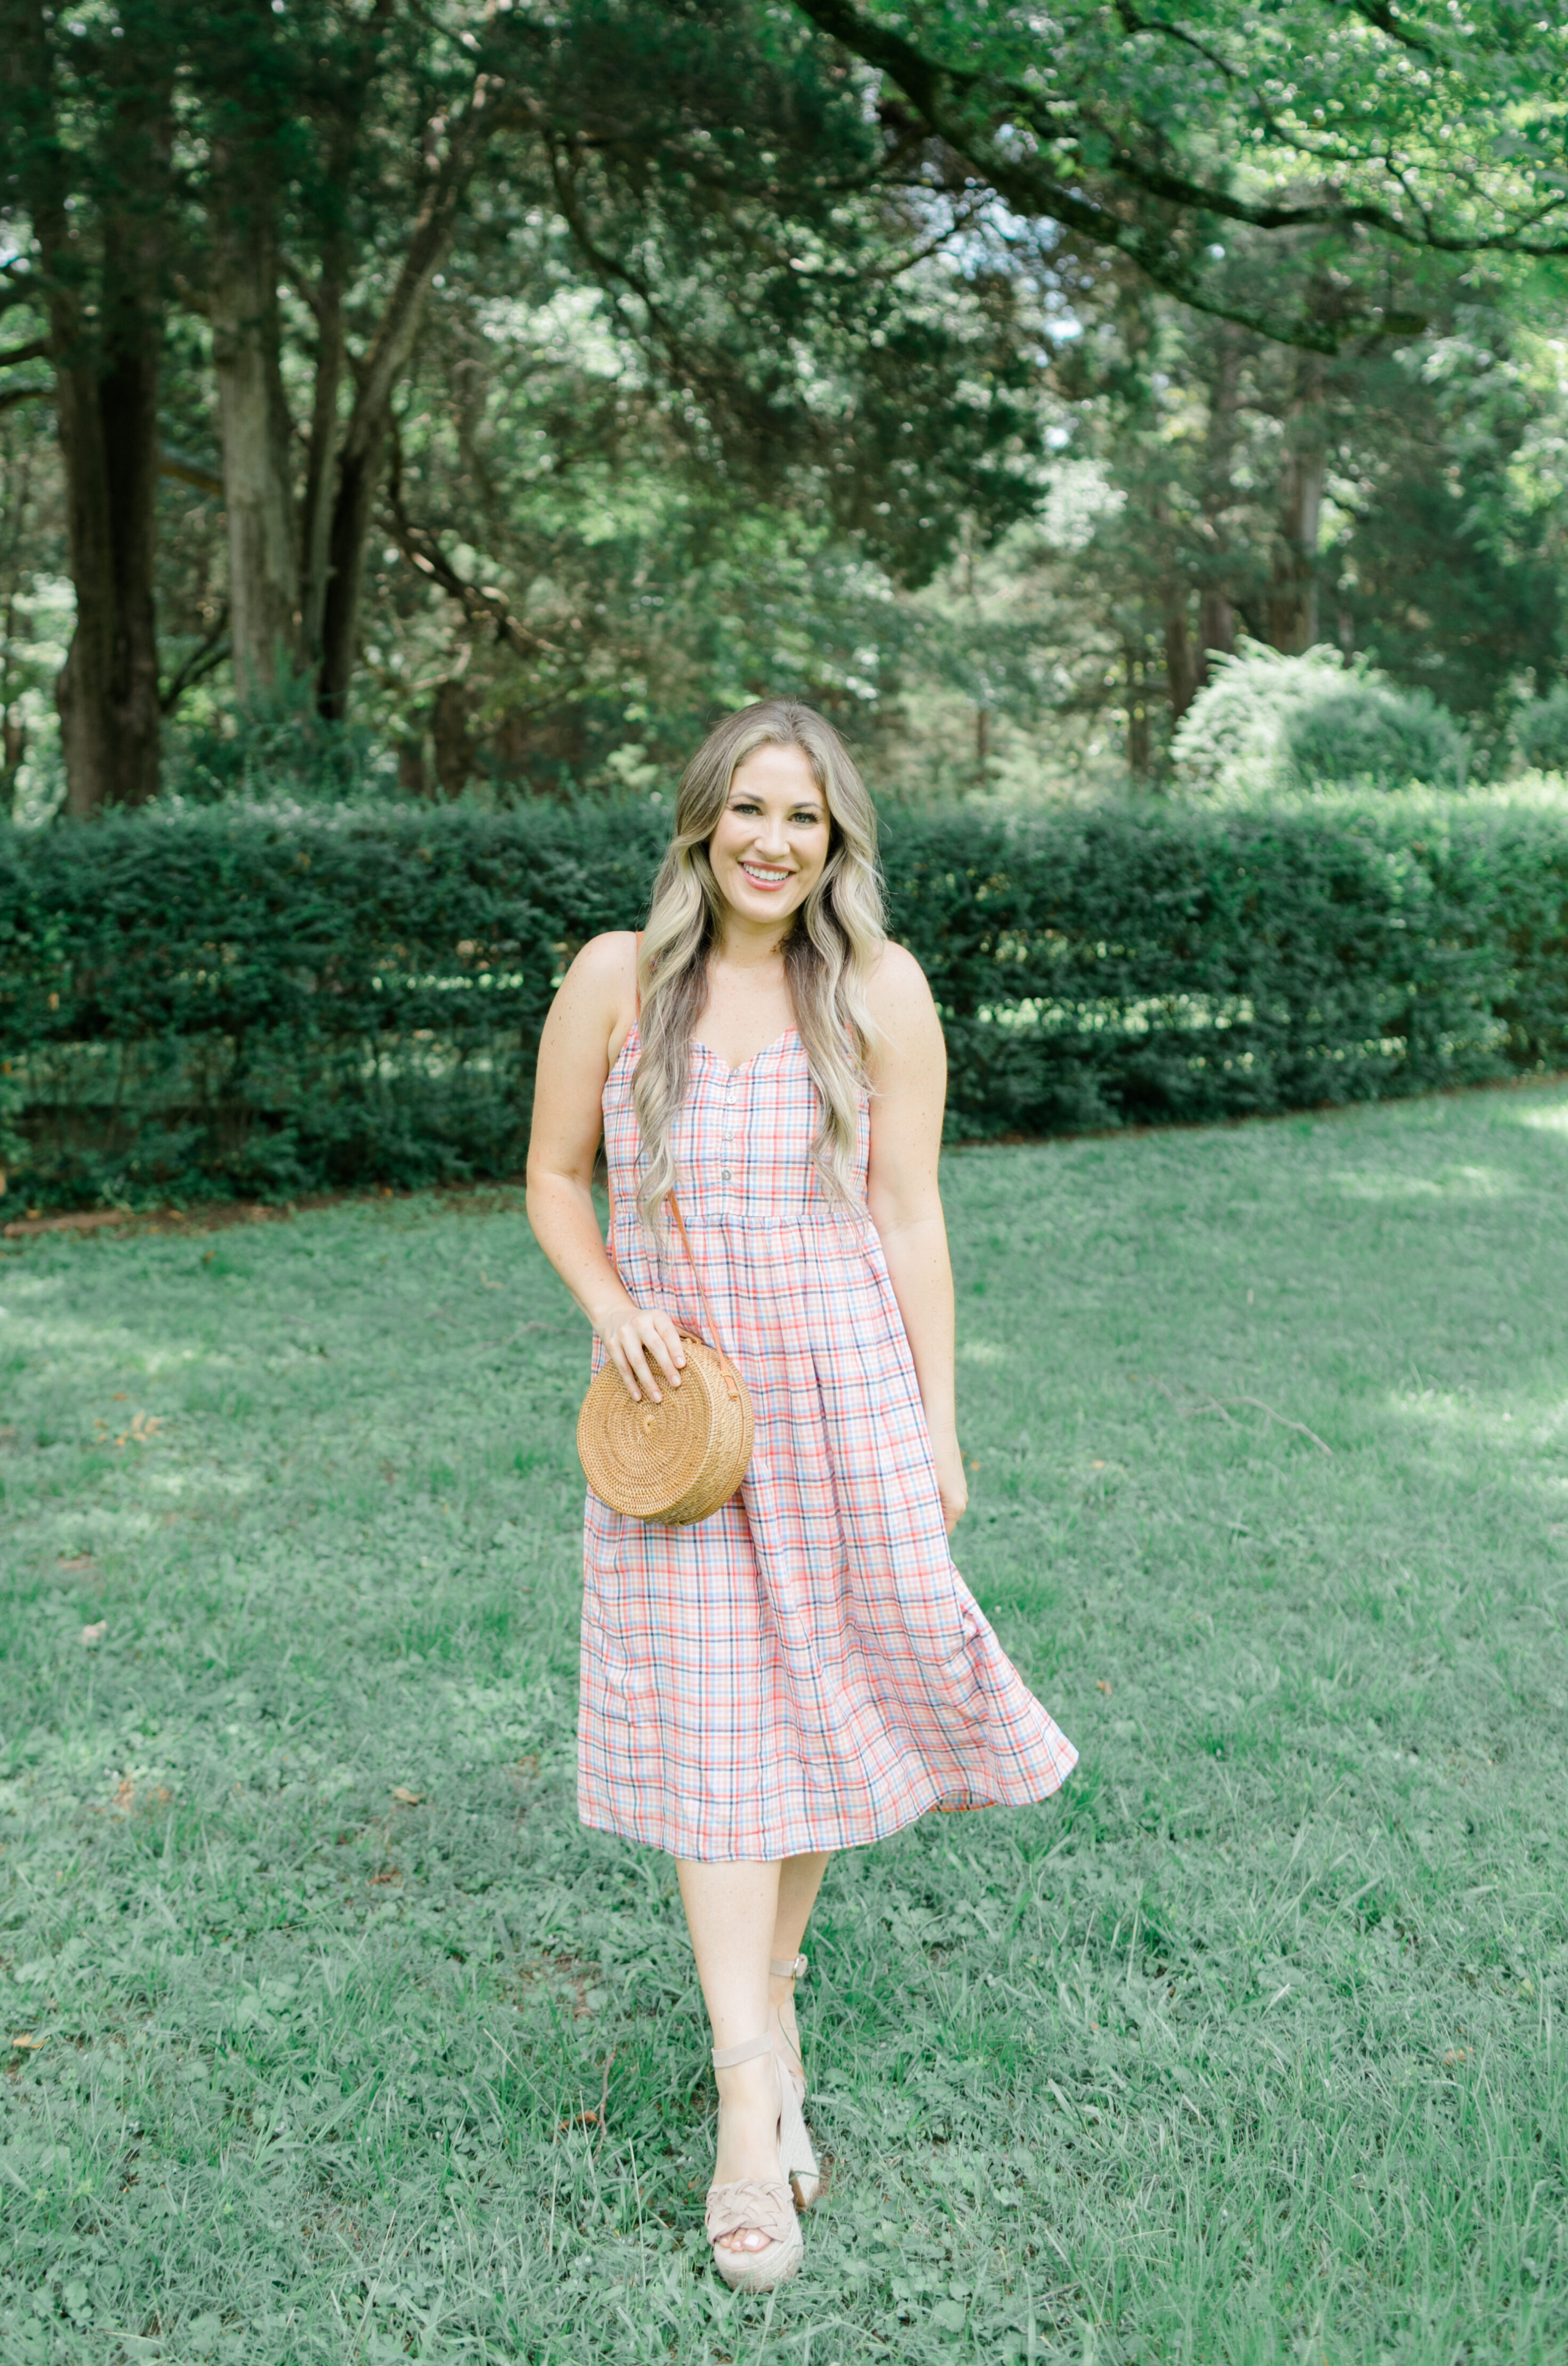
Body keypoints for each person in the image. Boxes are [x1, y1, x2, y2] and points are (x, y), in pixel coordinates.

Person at [525, 701, 1076, 2292]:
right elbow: (556, 1176)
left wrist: (941, 1426)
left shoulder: (881, 991)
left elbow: (909, 1218)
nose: (776, 841)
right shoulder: (618, 980)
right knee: (714, 1737)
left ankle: (765, 2021)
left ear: (838, 844)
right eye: (750, 809)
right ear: (703, 821)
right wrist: (613, 1306)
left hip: (845, 1404)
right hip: (683, 1424)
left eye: (808, 819)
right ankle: (749, 2099)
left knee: (816, 1717)